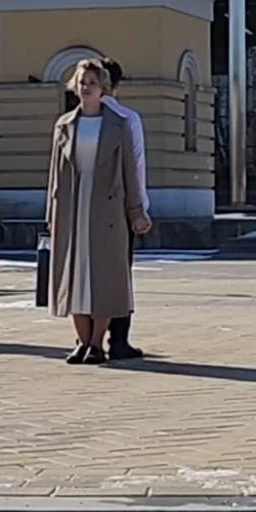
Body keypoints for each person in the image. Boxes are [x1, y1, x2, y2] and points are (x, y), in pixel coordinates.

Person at [46, 59, 151, 364]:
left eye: (92, 82)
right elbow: (55, 174)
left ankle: (97, 343)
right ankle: (81, 341)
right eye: (81, 82)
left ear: (103, 87)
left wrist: (137, 212)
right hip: (72, 209)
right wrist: (52, 214)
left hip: (107, 211)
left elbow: (132, 171)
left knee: (103, 276)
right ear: (74, 86)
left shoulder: (119, 124)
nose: (87, 87)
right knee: (75, 275)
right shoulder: (64, 125)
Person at [98, 58, 149, 359]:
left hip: (86, 209)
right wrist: (140, 210)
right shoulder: (128, 118)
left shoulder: (76, 119)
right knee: (119, 275)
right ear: (116, 85)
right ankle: (118, 338)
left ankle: (88, 338)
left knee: (89, 273)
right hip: (119, 210)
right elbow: (137, 166)